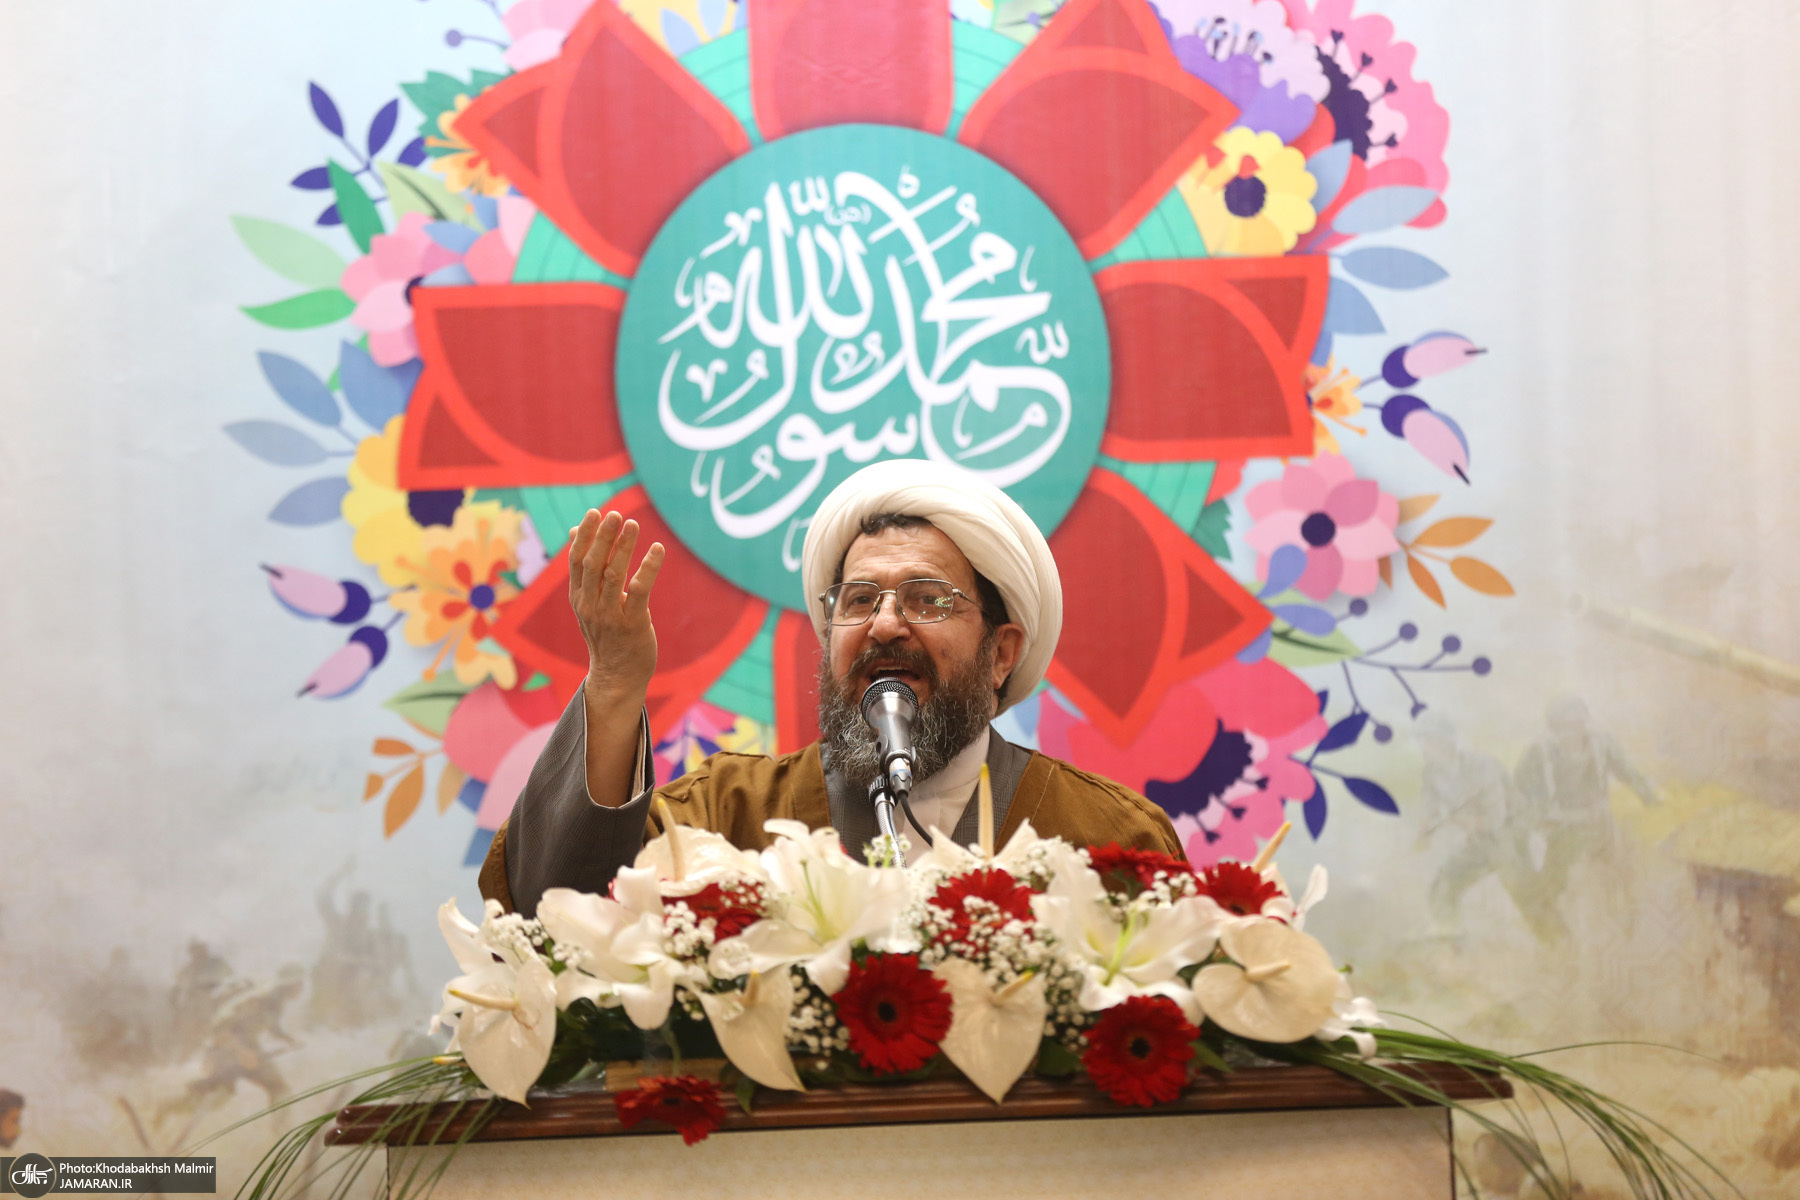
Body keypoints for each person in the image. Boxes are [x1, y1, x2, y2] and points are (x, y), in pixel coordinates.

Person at [482, 461, 1183, 916]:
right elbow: (551, 911)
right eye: (858, 600)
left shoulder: (1107, 837)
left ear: (1001, 654)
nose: (884, 624)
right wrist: (614, 682)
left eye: (927, 599)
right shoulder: (728, 816)